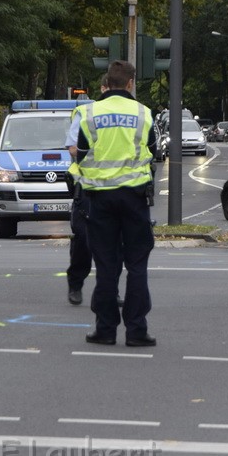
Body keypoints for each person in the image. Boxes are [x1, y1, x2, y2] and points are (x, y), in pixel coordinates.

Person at [74, 60, 157, 347]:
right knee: (137, 265)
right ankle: (136, 331)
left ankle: (106, 329)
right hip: (135, 199)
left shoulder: (90, 113)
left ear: (108, 82)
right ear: (131, 83)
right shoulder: (143, 114)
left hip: (100, 200)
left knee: (107, 266)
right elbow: (154, 152)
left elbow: (81, 153)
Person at [65, 75, 122, 308]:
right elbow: (71, 148)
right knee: (84, 239)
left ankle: (111, 290)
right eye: (109, 87)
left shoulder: (127, 115)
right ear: (102, 89)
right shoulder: (86, 113)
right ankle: (76, 283)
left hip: (115, 186)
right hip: (87, 186)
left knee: (113, 242)